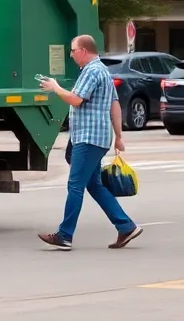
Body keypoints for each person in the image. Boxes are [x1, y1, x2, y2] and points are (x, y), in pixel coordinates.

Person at [38, 34, 142, 251]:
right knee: (94, 185)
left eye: (73, 50)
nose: (71, 55)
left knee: (75, 185)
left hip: (88, 138)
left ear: (83, 51)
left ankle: (65, 235)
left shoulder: (91, 71)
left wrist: (55, 87)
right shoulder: (103, 70)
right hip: (97, 138)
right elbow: (114, 104)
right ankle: (126, 226)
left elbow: (76, 100)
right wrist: (118, 136)